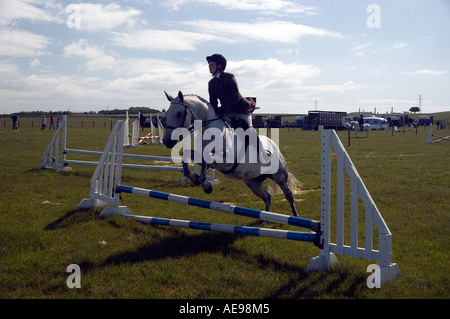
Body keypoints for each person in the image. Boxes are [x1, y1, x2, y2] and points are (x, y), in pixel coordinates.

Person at [206, 54, 256, 128]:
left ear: (219, 66)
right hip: (227, 112)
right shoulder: (211, 83)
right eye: (209, 64)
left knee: (248, 132)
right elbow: (213, 101)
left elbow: (235, 96)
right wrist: (214, 111)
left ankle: (255, 139)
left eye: (212, 64)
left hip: (241, 110)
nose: (209, 66)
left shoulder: (229, 77)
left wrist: (223, 108)